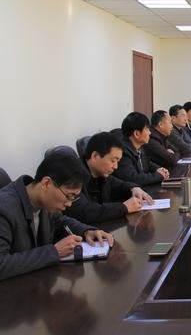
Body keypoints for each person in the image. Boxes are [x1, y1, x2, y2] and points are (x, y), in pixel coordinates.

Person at [0, 152, 113, 281]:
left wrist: (86, 231)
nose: (69, 204)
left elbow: (60, 220)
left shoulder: (43, 201)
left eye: (74, 198)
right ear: (46, 183)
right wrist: (54, 252)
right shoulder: (4, 208)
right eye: (68, 196)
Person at [64, 132, 154, 224]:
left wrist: (134, 188)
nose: (116, 167)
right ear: (95, 156)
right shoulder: (73, 177)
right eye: (113, 160)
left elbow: (120, 185)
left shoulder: (102, 175)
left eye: (118, 161)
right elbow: (85, 212)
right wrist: (124, 207)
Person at [113, 112, 169, 186]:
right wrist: (158, 176)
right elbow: (134, 178)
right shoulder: (123, 152)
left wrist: (160, 169)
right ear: (137, 134)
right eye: (147, 129)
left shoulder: (139, 147)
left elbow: (146, 162)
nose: (150, 133)